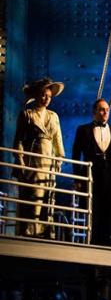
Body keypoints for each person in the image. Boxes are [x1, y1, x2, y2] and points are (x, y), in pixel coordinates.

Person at [12, 77, 65, 238]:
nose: (46, 98)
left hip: (49, 163)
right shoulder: (27, 114)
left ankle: (45, 231)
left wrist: (59, 158)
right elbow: (18, 141)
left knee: (48, 197)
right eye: (43, 95)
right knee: (33, 196)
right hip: (33, 161)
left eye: (49, 96)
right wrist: (21, 162)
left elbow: (58, 140)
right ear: (36, 95)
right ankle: (29, 231)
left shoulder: (53, 116)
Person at [72, 99, 111, 246]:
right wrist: (77, 179)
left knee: (108, 214)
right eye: (102, 110)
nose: (105, 113)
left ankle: (104, 249)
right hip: (91, 176)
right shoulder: (83, 130)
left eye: (107, 110)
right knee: (92, 213)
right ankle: (91, 247)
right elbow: (76, 155)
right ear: (94, 112)